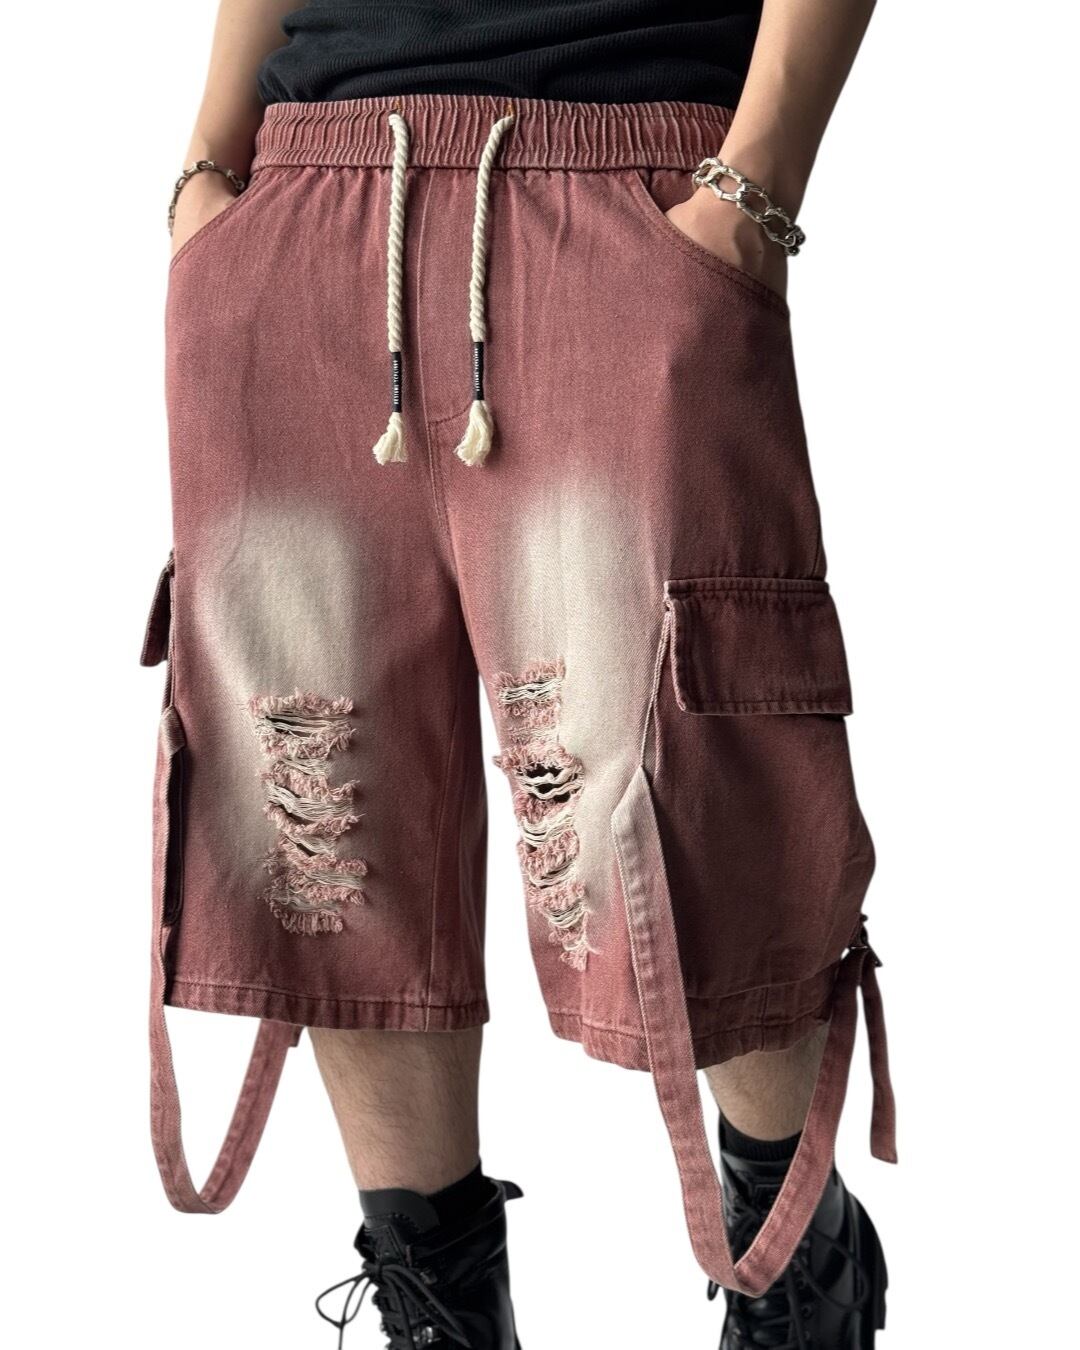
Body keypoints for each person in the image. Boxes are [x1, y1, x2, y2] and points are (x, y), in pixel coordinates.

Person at [145, 2, 896, 1345]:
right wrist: (211, 165)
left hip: (620, 186)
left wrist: (754, 189)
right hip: (304, 199)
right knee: (325, 810)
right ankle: (437, 1304)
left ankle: (795, 1253)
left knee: (677, 780)